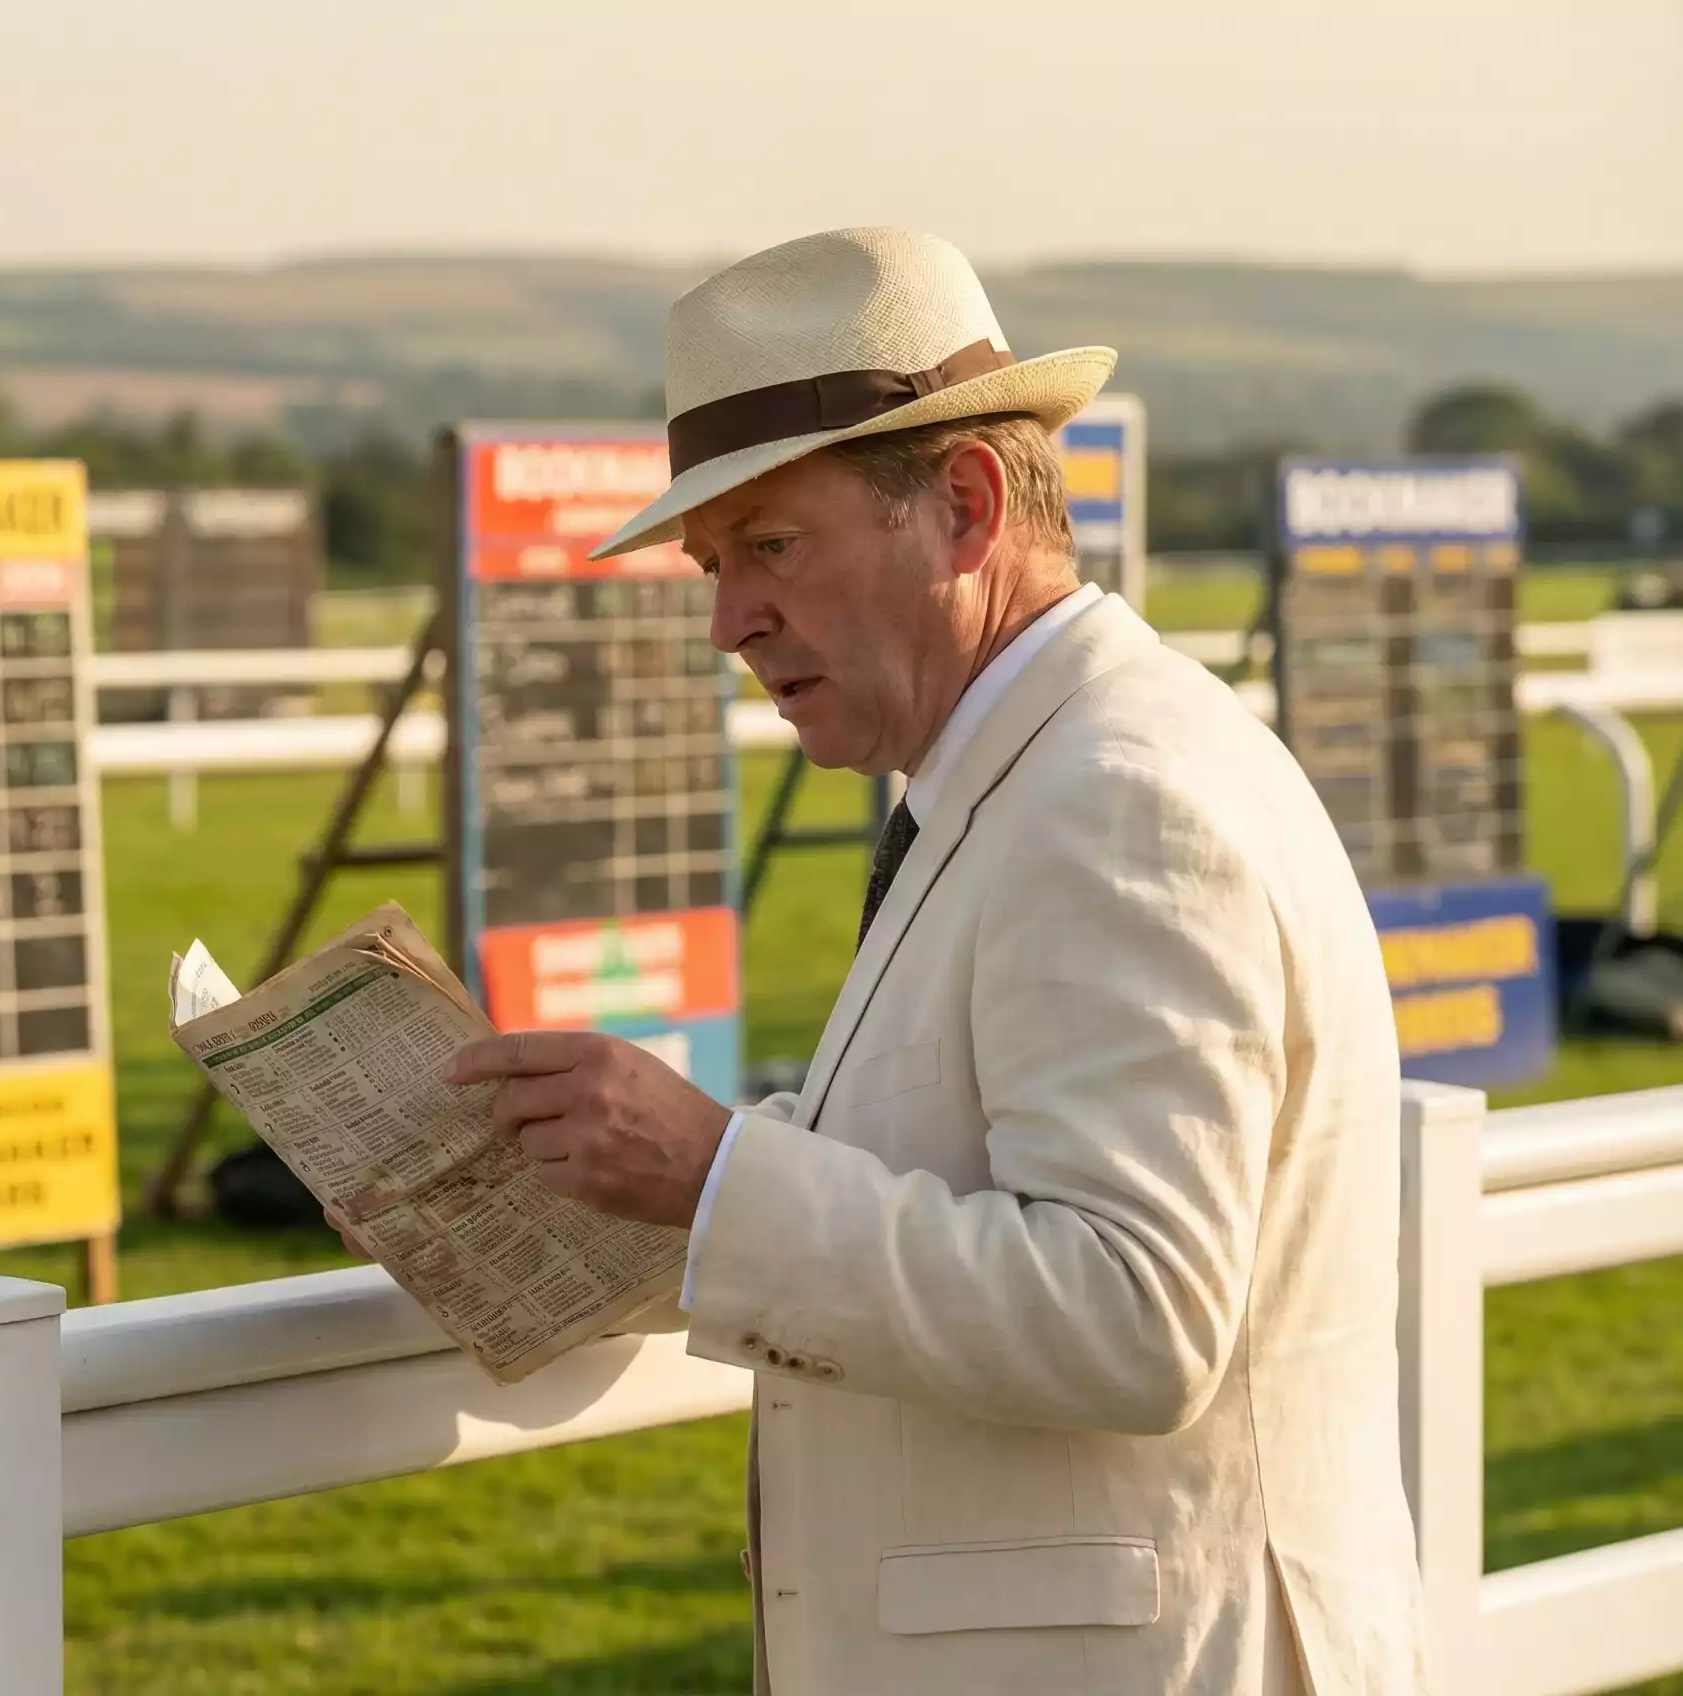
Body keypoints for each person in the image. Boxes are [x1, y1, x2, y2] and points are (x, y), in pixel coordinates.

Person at [440, 229, 1426, 1693]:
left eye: (771, 545)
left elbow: (1135, 1314)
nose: (729, 622)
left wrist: (718, 1174)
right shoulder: (1035, 771)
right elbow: (961, 1179)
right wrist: (556, 1197)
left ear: (963, 506)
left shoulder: (1111, 794)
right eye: (717, 566)